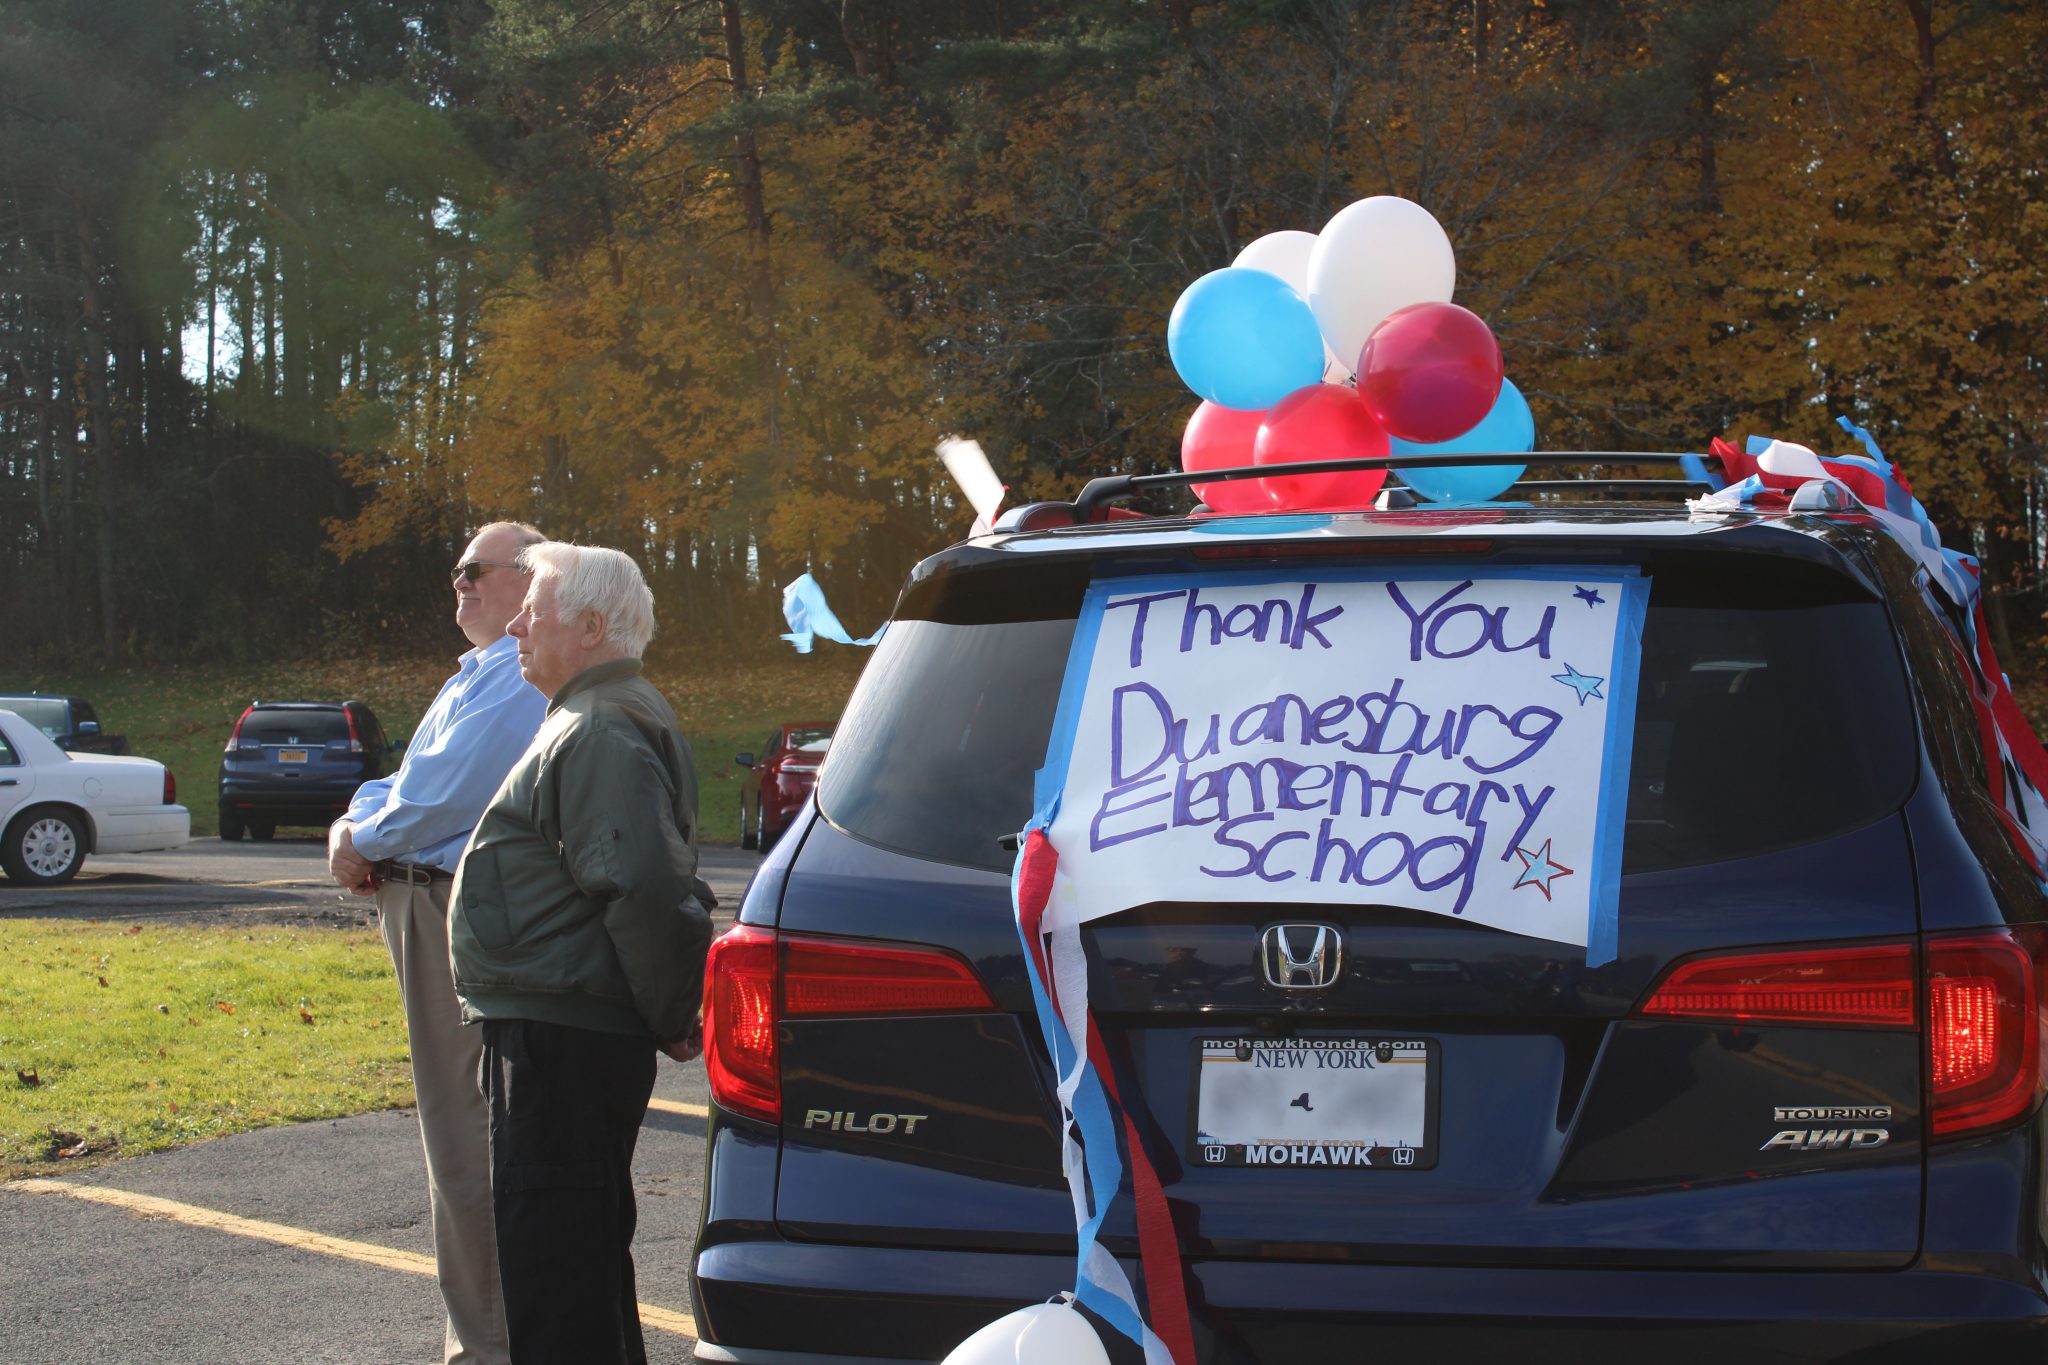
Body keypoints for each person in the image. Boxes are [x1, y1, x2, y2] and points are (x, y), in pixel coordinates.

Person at [448, 540, 711, 1365]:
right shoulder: (597, 715)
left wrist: (671, 1010)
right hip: (562, 1031)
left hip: (562, 1043)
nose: (516, 626)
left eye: (535, 610)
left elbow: (643, 885)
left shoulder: (599, 726)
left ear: (592, 627)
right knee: (577, 1263)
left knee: (558, 1276)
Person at [326, 520, 549, 1365]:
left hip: (448, 907)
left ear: (527, 578)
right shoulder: (479, 673)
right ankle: (485, 1337)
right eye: (458, 569)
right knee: (458, 1131)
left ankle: (488, 1346)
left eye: (473, 569)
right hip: (421, 899)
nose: (459, 582)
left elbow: (439, 796)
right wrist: (352, 827)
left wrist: (358, 839)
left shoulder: (515, 678)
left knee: (466, 1136)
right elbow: (400, 781)